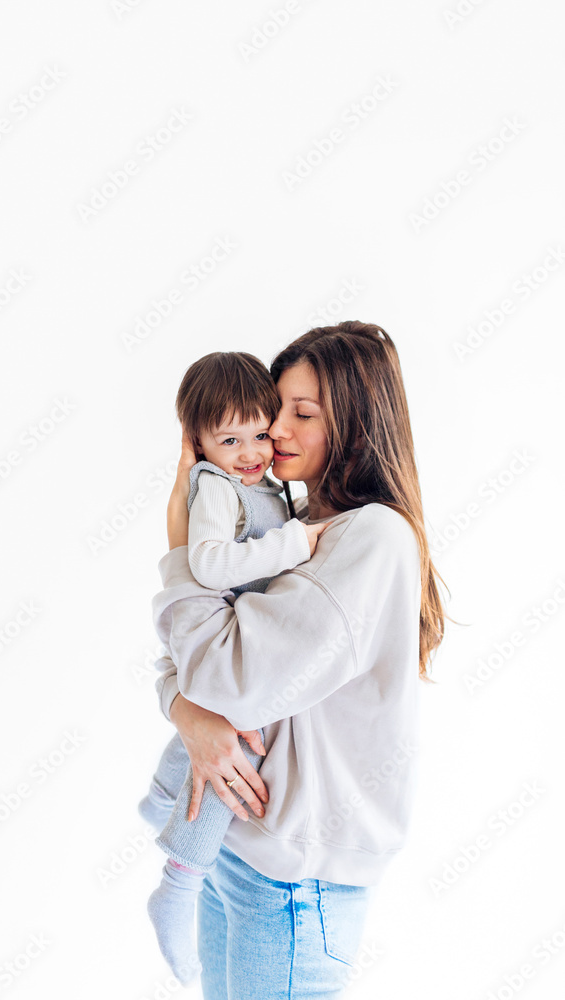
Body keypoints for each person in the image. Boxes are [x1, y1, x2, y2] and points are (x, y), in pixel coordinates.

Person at [151, 321, 448, 999]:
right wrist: (183, 710)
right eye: (275, 406)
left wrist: (179, 552)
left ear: (358, 427)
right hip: (240, 850)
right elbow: (202, 660)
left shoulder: (368, 537)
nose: (274, 429)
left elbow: (225, 679)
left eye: (302, 413)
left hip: (294, 881)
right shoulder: (297, 521)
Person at [138, 352, 330, 985]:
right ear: (196, 443)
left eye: (260, 434)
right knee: (233, 765)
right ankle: (179, 883)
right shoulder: (217, 488)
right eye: (229, 440)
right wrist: (295, 543)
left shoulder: (261, 484)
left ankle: (160, 801)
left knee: (209, 744)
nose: (251, 452)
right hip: (221, 649)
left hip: (233, 652)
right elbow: (211, 564)